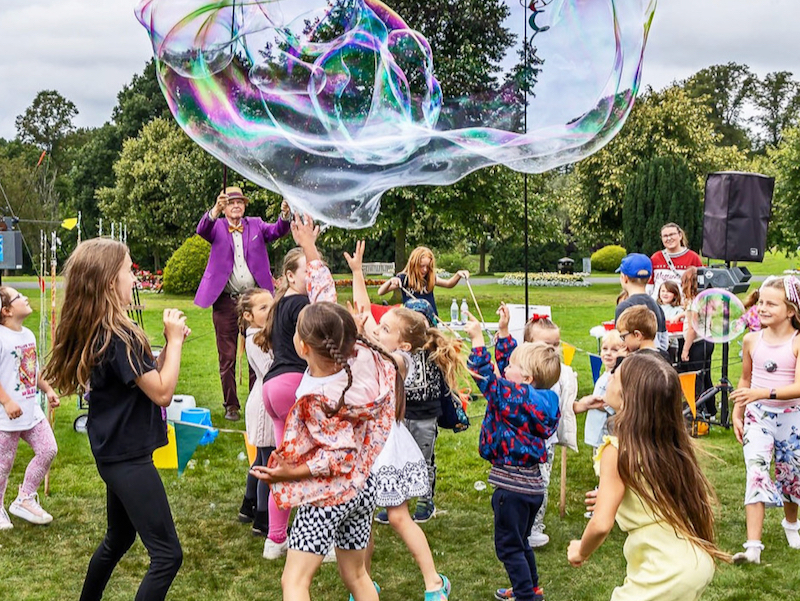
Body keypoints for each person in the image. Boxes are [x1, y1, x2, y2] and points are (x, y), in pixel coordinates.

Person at [42, 238, 188, 601]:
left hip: (113, 452)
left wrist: (169, 346)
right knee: (168, 556)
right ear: (110, 281)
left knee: (119, 538)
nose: (134, 280)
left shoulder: (102, 328)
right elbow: (162, 392)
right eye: (128, 271)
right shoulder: (120, 335)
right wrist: (175, 341)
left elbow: (142, 378)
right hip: (127, 459)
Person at [250, 302, 398, 601]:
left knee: (294, 581)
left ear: (303, 347)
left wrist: (290, 472)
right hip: (362, 487)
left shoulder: (316, 398)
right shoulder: (362, 365)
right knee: (356, 575)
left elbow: (337, 456)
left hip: (327, 496)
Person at [567, 352, 727, 600]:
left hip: (664, 568)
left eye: (615, 376)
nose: (609, 378)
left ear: (627, 397)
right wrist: (612, 496)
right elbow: (649, 485)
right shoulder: (666, 442)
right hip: (693, 559)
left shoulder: (617, 450)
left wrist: (581, 551)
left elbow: (600, 525)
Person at [344, 240, 451, 600]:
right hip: (369, 444)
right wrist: (358, 272)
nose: (378, 327)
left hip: (385, 446)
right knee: (363, 521)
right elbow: (364, 313)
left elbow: (370, 335)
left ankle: (434, 583)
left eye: (385, 328)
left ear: (404, 344)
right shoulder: (384, 345)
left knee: (399, 517)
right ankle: (364, 583)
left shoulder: (399, 361)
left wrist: (361, 332)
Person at [254, 213, 337, 559]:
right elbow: (326, 311)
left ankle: (275, 540)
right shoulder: (302, 304)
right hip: (293, 385)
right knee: (316, 461)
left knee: (282, 465)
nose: (311, 277)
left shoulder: (278, 306)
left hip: (271, 389)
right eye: (306, 271)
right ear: (290, 275)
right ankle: (326, 542)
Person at [466, 312, 560, 601]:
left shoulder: (515, 398)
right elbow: (510, 372)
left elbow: (485, 377)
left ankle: (525, 596)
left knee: (508, 547)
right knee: (521, 544)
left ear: (527, 379)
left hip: (512, 490)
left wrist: (478, 341)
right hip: (531, 488)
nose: (504, 369)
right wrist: (504, 333)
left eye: (511, 367)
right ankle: (530, 588)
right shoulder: (543, 397)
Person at [194, 186, 292, 421]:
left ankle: (256, 399)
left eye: (239, 202)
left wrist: (285, 215)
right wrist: (214, 211)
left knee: (257, 349)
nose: (236, 206)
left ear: (244, 206)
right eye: (230, 202)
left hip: (255, 301)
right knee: (226, 355)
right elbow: (202, 229)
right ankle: (231, 405)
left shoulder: (256, 225)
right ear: (225, 207)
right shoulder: (216, 226)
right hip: (226, 301)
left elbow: (278, 231)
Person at [730, 276, 800, 564]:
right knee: (756, 472)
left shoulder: (797, 343)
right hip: (757, 416)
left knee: (791, 476)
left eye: (772, 304)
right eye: (761, 302)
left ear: (791, 311)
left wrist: (762, 392)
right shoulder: (751, 340)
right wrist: (737, 412)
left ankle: (791, 524)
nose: (763, 308)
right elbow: (745, 379)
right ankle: (753, 548)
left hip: (791, 418)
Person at [0, 287, 60, 529]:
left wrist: (47, 389)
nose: (25, 298)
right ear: (6, 311)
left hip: (30, 411)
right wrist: (6, 401)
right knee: (3, 465)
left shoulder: (28, 335)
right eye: (19, 297)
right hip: (5, 417)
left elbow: (30, 371)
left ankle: (24, 498)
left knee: (48, 449)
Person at [518, 314, 577, 550]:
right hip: (521, 440)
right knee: (520, 482)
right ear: (528, 345)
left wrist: (582, 405)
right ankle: (518, 523)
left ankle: (535, 527)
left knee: (541, 483)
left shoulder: (562, 373)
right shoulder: (520, 371)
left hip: (546, 442)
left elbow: (566, 406)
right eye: (546, 345)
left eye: (556, 344)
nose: (553, 350)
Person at [236, 287, 275, 537]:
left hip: (263, 401)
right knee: (267, 464)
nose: (270, 311)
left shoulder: (262, 334)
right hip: (264, 406)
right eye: (263, 308)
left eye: (272, 305)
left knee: (260, 460)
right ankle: (263, 519)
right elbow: (271, 368)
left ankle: (247, 506)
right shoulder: (255, 339)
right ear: (248, 316)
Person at [377, 246, 469, 316]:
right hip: (413, 319)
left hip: (431, 318)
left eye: (428, 267)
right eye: (421, 266)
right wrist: (390, 281)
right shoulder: (404, 278)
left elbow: (448, 284)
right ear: (413, 264)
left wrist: (458, 275)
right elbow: (381, 292)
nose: (425, 270)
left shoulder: (429, 277)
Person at [677, 267, 715, 415]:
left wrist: (686, 349)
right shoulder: (706, 299)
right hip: (708, 340)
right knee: (706, 375)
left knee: (695, 378)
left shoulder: (693, 302)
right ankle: (710, 409)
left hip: (697, 343)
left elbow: (692, 329)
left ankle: (698, 410)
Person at [582, 330, 626, 453]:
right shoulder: (605, 375)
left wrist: (589, 403)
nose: (608, 353)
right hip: (597, 430)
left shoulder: (615, 378)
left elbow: (611, 404)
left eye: (614, 350)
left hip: (607, 432)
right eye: (605, 349)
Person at [615, 253, 668, 352]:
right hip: (656, 359)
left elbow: (619, 343)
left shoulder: (624, 307)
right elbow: (664, 341)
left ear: (624, 278)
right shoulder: (657, 306)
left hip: (635, 363)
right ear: (649, 279)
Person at [648, 222, 703, 301]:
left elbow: (700, 285)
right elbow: (649, 285)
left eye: (672, 234)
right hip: (658, 306)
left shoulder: (693, 257)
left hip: (682, 305)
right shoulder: (656, 257)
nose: (669, 238)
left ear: (680, 235)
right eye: (665, 236)